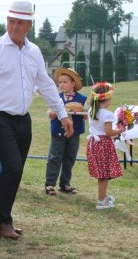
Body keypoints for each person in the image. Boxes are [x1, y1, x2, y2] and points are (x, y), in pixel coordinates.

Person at [0, 1, 74, 240]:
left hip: (23, 119)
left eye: (20, 22)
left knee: (16, 170)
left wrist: (64, 114)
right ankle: (4, 221)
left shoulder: (33, 51)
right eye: (11, 21)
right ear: (7, 21)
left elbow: (45, 85)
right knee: (13, 168)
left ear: (29, 24)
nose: (15, 26)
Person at [44, 67, 87, 196]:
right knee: (55, 157)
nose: (61, 84)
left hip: (75, 133)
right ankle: (50, 184)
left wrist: (80, 111)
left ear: (73, 84)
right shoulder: (56, 98)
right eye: (60, 82)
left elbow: (86, 115)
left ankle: (65, 184)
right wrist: (57, 112)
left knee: (70, 158)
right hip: (58, 131)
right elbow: (50, 113)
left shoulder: (82, 99)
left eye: (65, 82)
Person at [86, 81, 123, 209]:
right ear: (106, 99)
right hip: (103, 144)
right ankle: (101, 201)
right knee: (104, 174)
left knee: (102, 173)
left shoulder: (92, 110)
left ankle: (103, 196)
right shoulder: (107, 114)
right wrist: (120, 130)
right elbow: (108, 132)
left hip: (94, 144)